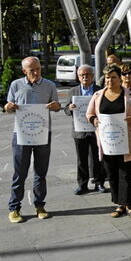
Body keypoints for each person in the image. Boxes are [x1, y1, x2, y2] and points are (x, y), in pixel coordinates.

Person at [5, 57, 61, 223]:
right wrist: (8, 107)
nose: (36, 73)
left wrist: (55, 106)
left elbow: (57, 107)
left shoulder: (50, 85)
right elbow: (9, 107)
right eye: (32, 70)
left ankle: (39, 205)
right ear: (24, 71)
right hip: (21, 135)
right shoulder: (16, 85)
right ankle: (14, 208)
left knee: (40, 172)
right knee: (19, 173)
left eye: (38, 69)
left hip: (42, 134)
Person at [87, 64, 131, 219]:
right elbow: (90, 114)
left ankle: (130, 205)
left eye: (113, 77)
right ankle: (119, 204)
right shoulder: (98, 95)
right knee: (112, 174)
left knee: (126, 173)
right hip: (107, 143)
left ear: (120, 79)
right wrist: (94, 121)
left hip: (126, 141)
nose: (110, 80)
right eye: (107, 77)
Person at [65, 64, 107, 194]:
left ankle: (99, 183)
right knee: (81, 159)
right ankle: (82, 184)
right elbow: (66, 109)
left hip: (96, 129)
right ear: (78, 77)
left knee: (98, 157)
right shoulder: (73, 92)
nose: (85, 77)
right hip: (79, 130)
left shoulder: (100, 90)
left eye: (87, 74)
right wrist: (70, 108)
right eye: (82, 75)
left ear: (92, 76)